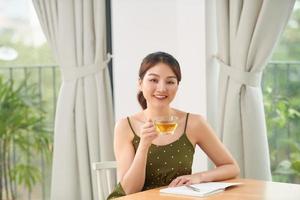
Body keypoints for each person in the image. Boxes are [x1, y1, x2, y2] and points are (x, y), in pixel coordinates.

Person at [107, 51, 239, 199]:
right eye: (153, 80)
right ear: (140, 83)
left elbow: (231, 167)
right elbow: (129, 191)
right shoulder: (125, 126)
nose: (162, 88)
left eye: (170, 81)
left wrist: (199, 177)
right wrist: (143, 145)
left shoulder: (194, 123)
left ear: (177, 86)